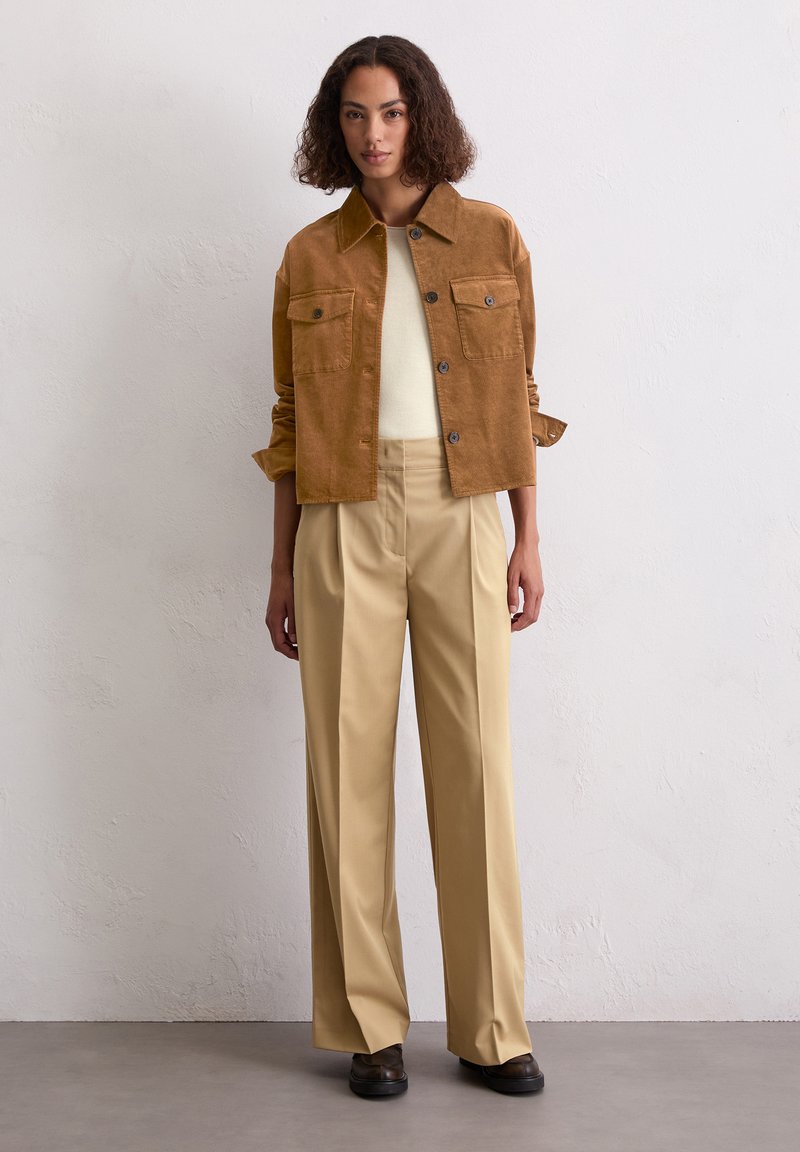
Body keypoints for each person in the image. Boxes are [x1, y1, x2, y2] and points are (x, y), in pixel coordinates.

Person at [251, 34, 568, 1099]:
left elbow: (519, 399)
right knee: (347, 777)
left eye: (389, 112)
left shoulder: (490, 235)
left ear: (420, 116)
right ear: (331, 126)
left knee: (474, 764)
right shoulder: (309, 255)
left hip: (462, 505)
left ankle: (492, 1027)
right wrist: (282, 565)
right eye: (353, 114)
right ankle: (368, 1027)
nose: (372, 133)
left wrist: (527, 534)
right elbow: (289, 421)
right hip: (340, 513)